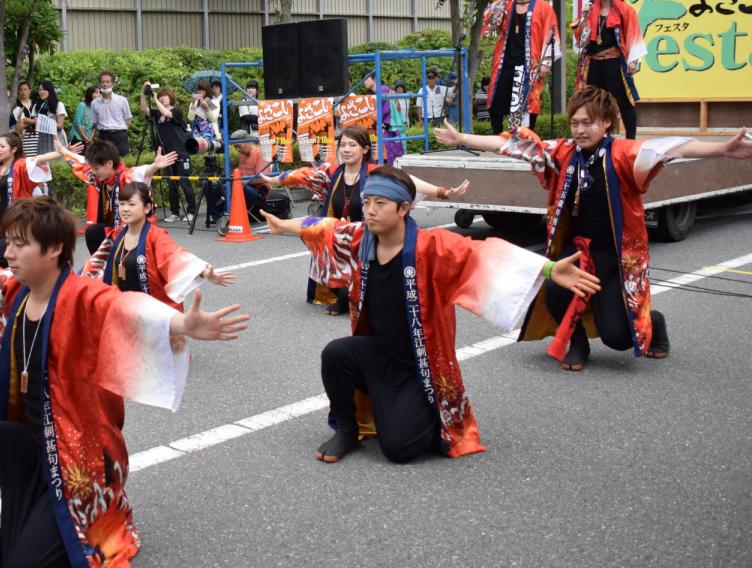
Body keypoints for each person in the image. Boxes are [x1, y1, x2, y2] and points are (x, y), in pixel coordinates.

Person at [0, 197, 249, 568]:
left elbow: (127, 307)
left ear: (54, 248)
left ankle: (103, 517)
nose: (8, 253)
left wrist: (180, 323)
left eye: (19, 244)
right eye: (8, 242)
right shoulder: (19, 291)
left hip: (81, 457)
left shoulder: (84, 297)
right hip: (35, 441)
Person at [264, 166, 599, 463]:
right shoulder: (360, 239)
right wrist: (282, 225)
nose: (369, 210)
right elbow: (321, 226)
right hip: (377, 354)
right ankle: (348, 429)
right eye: (366, 202)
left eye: (380, 203)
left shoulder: (431, 246)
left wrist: (549, 268)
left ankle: (409, 409)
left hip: (420, 367)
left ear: (404, 208)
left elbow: (482, 253)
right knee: (336, 353)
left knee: (399, 448)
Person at [435, 86, 752, 371]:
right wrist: (463, 139)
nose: (580, 130)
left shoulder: (624, 154)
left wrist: (723, 149)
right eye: (575, 123)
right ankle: (578, 344)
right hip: (577, 251)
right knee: (554, 289)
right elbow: (513, 145)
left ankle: (653, 322)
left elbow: (673, 148)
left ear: (606, 123)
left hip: (615, 255)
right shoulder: (563, 153)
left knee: (618, 337)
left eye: (588, 123)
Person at [258, 126, 468, 314]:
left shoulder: (376, 173)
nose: (346, 150)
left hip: (368, 236)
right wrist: (275, 180)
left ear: (365, 149)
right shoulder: (332, 172)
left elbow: (407, 180)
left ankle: (364, 294)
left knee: (371, 285)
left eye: (353, 145)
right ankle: (345, 293)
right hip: (340, 236)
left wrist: (441, 192)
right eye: (343, 145)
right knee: (327, 235)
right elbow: (303, 174)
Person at [82, 182, 233, 305]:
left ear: (147, 208)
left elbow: (174, 256)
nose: (125, 209)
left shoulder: (155, 236)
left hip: (152, 311)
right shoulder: (116, 235)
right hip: (124, 309)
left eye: (131, 204)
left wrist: (204, 271)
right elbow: (96, 263)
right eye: (121, 204)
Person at [58, 138, 177, 254]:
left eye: (96, 168)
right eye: (93, 168)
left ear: (109, 164)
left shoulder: (126, 176)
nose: (93, 172)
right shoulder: (101, 179)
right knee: (93, 232)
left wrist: (155, 166)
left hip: (137, 231)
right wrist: (64, 151)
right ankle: (103, 264)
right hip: (116, 228)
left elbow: (143, 172)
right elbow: (81, 165)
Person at [0, 132, 61, 267]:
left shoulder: (20, 165)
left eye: (2, 146)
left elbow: (39, 159)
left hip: (15, 225)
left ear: (14, 149)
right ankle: (12, 253)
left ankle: (18, 252)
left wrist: (61, 152)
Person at [483, 0, 561, 133]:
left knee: (525, 105)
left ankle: (520, 139)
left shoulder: (543, 7)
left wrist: (546, 63)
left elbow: (551, 33)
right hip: (504, 63)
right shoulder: (507, 5)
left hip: (529, 65)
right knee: (495, 103)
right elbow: (490, 21)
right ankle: (499, 138)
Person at [572, 0, 645, 139]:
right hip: (594, 63)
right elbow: (580, 36)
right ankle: (599, 138)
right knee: (593, 101)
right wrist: (583, 17)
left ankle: (630, 139)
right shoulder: (591, 9)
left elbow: (633, 33)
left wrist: (633, 60)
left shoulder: (624, 9)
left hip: (614, 62)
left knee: (623, 100)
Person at [139, 84, 196, 222]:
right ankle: (175, 212)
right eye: (160, 96)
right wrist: (143, 92)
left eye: (165, 96)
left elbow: (167, 113)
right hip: (166, 154)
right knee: (171, 184)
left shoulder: (176, 111)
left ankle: (192, 211)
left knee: (185, 182)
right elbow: (144, 108)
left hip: (181, 152)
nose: (162, 98)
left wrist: (155, 98)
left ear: (171, 98)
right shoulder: (157, 114)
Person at [90, 71, 132, 155]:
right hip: (104, 136)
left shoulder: (122, 100)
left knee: (121, 160)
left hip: (119, 135)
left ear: (112, 84)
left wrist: (122, 132)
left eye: (108, 82)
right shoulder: (94, 103)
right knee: (104, 159)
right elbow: (95, 121)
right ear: (100, 84)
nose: (105, 84)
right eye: (103, 82)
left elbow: (128, 119)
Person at [32, 80, 66, 156]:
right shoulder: (36, 106)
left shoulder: (59, 105)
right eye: (40, 90)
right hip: (42, 137)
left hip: (56, 138)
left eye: (44, 89)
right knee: (43, 160)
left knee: (57, 160)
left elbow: (60, 126)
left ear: (50, 90)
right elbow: (36, 124)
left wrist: (44, 122)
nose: (41, 92)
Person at [11, 82, 38, 158]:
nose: (23, 92)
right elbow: (21, 120)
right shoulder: (16, 104)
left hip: (36, 135)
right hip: (23, 135)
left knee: (37, 157)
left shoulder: (35, 103)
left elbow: (39, 116)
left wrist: (27, 121)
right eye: (21, 90)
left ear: (29, 91)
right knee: (26, 157)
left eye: (25, 89)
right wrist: (35, 121)